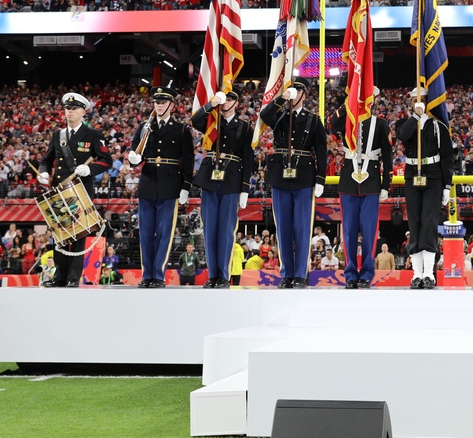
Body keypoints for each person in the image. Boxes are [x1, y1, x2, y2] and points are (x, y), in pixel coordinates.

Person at [37, 92, 113, 287]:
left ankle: (73, 277)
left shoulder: (93, 134)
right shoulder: (58, 135)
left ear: (83, 112)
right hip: (59, 190)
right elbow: (46, 160)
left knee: (79, 234)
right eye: (67, 109)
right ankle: (59, 277)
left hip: (80, 190)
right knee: (59, 235)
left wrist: (89, 169)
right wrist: (43, 173)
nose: (69, 112)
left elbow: (107, 161)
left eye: (74, 109)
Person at [259, 79, 327, 289]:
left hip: (304, 176)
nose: (294, 93)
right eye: (292, 90)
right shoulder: (279, 115)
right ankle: (287, 273)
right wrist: (281, 98)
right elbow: (264, 115)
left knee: (302, 227)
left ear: (304, 95)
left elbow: (322, 151)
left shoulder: (313, 120)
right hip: (280, 174)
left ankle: (300, 274)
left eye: (297, 91)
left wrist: (320, 178)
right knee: (284, 228)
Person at [128, 85, 194, 288]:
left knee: (164, 233)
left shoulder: (181, 129)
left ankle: (158, 274)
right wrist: (132, 159)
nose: (159, 105)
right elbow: (135, 154)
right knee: (146, 233)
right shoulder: (144, 128)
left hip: (170, 184)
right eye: (156, 102)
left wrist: (186, 186)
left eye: (163, 102)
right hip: (148, 182)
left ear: (171, 105)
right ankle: (146, 275)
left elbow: (188, 160)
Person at [328, 88, 394, 289]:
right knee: (348, 232)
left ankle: (366, 273)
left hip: (371, 182)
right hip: (349, 183)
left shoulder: (381, 124)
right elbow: (331, 123)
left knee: (369, 232)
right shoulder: (347, 120)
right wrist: (350, 99)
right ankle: (350, 274)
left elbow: (388, 157)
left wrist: (385, 185)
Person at [192, 88, 254, 289]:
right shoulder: (211, 122)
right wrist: (211, 104)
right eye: (224, 99)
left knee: (226, 230)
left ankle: (224, 275)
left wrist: (245, 188)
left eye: (230, 99)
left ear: (237, 103)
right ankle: (213, 275)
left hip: (231, 180)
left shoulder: (244, 127)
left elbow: (248, 159)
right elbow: (195, 120)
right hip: (210, 179)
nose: (226, 102)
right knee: (209, 229)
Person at [396, 84, 453, 289]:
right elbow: (402, 136)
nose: (417, 103)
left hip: (433, 177)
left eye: (421, 100)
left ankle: (429, 273)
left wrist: (447, 185)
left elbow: (447, 157)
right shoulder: (406, 122)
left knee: (429, 223)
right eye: (414, 100)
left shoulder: (438, 126)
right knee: (415, 223)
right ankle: (416, 274)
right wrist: (416, 116)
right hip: (413, 177)